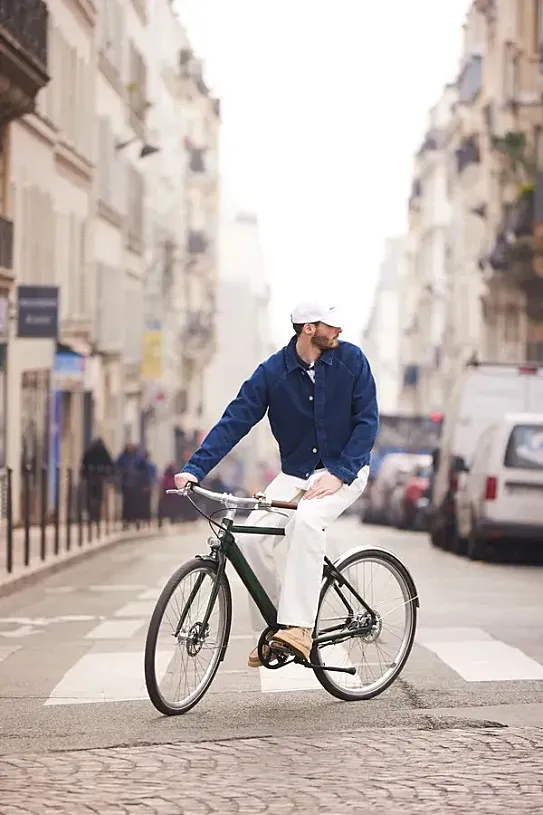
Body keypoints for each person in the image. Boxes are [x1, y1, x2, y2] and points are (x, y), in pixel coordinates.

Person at [174, 302, 379, 666]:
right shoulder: (272, 373)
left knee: (306, 521)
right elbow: (234, 421)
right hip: (296, 474)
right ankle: (276, 630)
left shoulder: (352, 361)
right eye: (331, 326)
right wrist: (195, 469)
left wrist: (340, 473)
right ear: (309, 329)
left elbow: (367, 422)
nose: (338, 332)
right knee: (250, 539)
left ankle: (300, 629)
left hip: (344, 471)